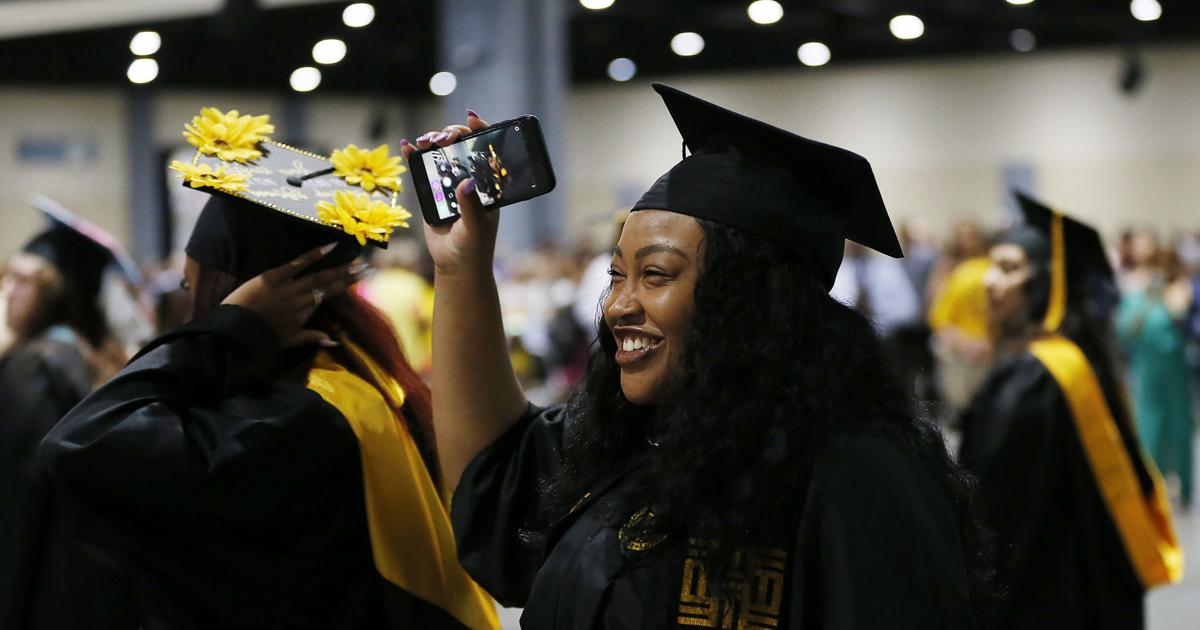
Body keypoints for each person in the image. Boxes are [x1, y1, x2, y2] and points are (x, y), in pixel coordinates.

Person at [406, 84, 985, 629]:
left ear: (752, 301)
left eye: (654, 275)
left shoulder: (861, 473)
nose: (617, 306)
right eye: (616, 275)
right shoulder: (635, 434)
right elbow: (498, 489)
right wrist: (460, 267)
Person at [39, 114, 498, 630]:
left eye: (199, 290)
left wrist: (233, 328)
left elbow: (78, 442)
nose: (196, 309)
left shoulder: (295, 418)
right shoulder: (354, 379)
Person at [959, 192, 1182, 630]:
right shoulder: (1074, 365)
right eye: (992, 264)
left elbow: (992, 508)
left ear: (1045, 284)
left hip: (1038, 596)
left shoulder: (1035, 381)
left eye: (1008, 267)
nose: (988, 281)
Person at [0, 197, 142, 629]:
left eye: (23, 280)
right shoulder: (91, 359)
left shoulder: (38, 366)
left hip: (40, 582)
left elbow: (17, 496)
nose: (6, 290)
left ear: (54, 291)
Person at [1117, 231, 1195, 510]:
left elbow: (1180, 311)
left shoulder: (1172, 278)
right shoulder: (1129, 280)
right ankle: (1153, 488)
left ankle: (1184, 487)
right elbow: (1123, 328)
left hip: (1173, 360)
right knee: (1149, 425)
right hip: (1145, 361)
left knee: (1179, 425)